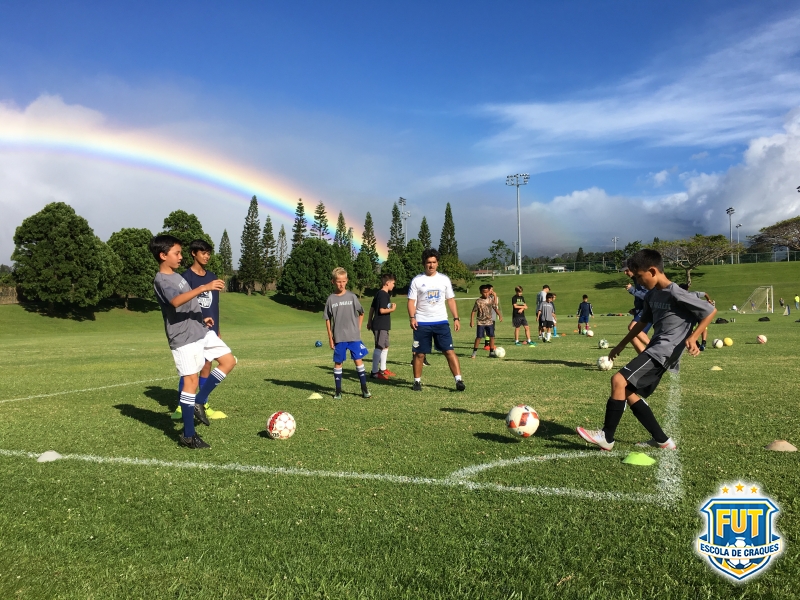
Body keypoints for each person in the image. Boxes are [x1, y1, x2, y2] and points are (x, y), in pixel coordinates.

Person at [576, 249, 716, 451]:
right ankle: (662, 440)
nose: (638, 282)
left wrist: (693, 337)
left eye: (639, 276)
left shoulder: (676, 292)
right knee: (628, 393)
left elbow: (710, 311)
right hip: (656, 349)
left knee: (618, 380)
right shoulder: (651, 295)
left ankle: (607, 436)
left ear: (652, 271)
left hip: (663, 351)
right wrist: (622, 344)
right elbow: (642, 323)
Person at [150, 235, 236, 449]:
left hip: (200, 329)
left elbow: (187, 304)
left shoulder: (178, 276)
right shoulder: (162, 279)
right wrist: (203, 287)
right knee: (191, 382)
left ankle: (200, 400)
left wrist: (201, 317)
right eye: (176, 253)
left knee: (228, 361)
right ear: (163, 255)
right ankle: (189, 435)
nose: (180, 257)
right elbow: (176, 301)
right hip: (183, 338)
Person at [172, 239, 227, 421]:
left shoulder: (212, 276)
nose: (207, 256)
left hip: (211, 330)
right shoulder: (186, 278)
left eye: (208, 253)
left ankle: (203, 403)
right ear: (193, 253)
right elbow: (182, 304)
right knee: (190, 369)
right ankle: (182, 405)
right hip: (192, 329)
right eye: (203, 252)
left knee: (207, 365)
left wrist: (218, 329)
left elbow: (215, 305)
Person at [407, 248, 465, 392]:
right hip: (422, 322)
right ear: (424, 264)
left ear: (437, 263)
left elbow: (450, 300)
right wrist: (412, 317)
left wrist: (456, 318)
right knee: (420, 353)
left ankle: (458, 380)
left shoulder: (444, 279)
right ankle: (417, 382)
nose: (431, 265)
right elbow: (411, 301)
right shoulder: (417, 281)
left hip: (441, 322)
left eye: (434, 262)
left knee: (449, 351)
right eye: (428, 262)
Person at [325, 267, 371, 400]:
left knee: (358, 360)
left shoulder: (352, 296)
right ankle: (338, 391)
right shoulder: (331, 299)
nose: (341, 284)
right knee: (338, 362)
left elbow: (361, 313)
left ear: (347, 281)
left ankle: (364, 389)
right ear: (332, 281)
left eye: (344, 281)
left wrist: (358, 328)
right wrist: (330, 337)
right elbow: (327, 319)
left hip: (353, 336)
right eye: (338, 281)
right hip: (339, 337)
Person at [367, 273, 397, 380]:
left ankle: (383, 369)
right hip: (380, 324)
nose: (394, 285)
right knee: (379, 346)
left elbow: (371, 309)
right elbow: (381, 310)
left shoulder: (379, 293)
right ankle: (374, 372)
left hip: (383, 325)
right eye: (393, 283)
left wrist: (369, 321)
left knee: (385, 345)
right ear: (387, 283)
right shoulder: (383, 294)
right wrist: (392, 309)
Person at [624, 264, 651, 354]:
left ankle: (655, 350)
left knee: (632, 328)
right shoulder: (635, 279)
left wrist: (632, 290)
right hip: (642, 310)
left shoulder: (641, 278)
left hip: (648, 310)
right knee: (632, 336)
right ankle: (645, 359)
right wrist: (635, 309)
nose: (625, 273)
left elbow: (647, 296)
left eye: (626, 270)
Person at [470, 284, 502, 358]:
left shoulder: (490, 299)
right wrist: (471, 321)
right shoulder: (478, 301)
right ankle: (474, 352)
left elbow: (495, 308)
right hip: (480, 322)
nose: (486, 294)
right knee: (479, 337)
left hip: (489, 321)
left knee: (492, 336)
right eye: (484, 292)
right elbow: (473, 311)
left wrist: (499, 315)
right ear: (481, 292)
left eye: (487, 292)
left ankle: (491, 352)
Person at [679, 284, 713, 351]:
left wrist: (708, 300)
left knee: (688, 328)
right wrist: (709, 300)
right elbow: (705, 294)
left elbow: (705, 294)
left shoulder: (680, 296)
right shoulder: (693, 294)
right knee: (703, 327)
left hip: (691, 314)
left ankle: (698, 343)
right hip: (698, 312)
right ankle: (703, 343)